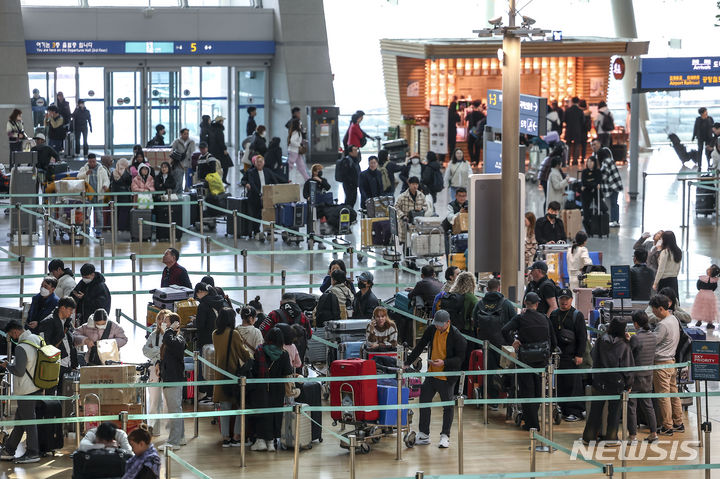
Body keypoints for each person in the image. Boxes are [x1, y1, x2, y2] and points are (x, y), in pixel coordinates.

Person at [405, 310, 467, 448]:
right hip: (432, 373)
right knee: (424, 401)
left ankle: (445, 435)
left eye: (440, 325)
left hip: (447, 376)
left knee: (448, 406)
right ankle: (424, 434)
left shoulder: (457, 337)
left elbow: (460, 359)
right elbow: (420, 346)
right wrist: (407, 362)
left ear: (448, 323)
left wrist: (444, 362)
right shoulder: (432, 329)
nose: (438, 327)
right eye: (436, 324)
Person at [501, 293, 556, 431]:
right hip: (541, 360)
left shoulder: (520, 318)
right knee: (538, 391)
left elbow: (504, 330)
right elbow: (553, 341)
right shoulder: (544, 318)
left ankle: (532, 424)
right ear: (537, 304)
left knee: (527, 391)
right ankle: (530, 418)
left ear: (525, 303)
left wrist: (513, 341)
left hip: (525, 361)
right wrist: (549, 354)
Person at [582, 318, 634, 444]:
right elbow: (627, 365)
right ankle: (611, 439)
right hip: (617, 381)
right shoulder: (624, 344)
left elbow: (593, 355)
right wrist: (629, 383)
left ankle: (588, 437)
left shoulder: (601, 340)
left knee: (595, 410)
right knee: (614, 412)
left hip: (600, 379)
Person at [0, 321, 42, 463]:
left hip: (26, 389)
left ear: (15, 332)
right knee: (20, 420)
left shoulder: (22, 347)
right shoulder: (36, 339)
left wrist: (8, 365)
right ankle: (9, 449)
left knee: (29, 422)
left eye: (12, 334)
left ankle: (33, 452)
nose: (12, 337)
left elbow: (19, 370)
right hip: (37, 385)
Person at [213, 307, 252, 447]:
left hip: (220, 375)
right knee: (240, 406)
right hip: (233, 374)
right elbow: (243, 353)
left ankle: (225, 438)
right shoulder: (233, 334)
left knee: (224, 408)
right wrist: (251, 356)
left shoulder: (215, 334)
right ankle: (236, 436)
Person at [472, 278, 515, 399]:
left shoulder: (479, 304)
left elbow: (474, 323)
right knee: (506, 369)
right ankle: (506, 395)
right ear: (499, 288)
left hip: (486, 343)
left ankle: (492, 398)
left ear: (487, 289)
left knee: (489, 370)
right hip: (503, 344)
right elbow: (514, 321)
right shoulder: (506, 304)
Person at [251, 327, 293, 452]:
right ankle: (272, 442)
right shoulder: (284, 354)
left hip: (261, 387)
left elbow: (255, 370)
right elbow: (287, 373)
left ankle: (261, 440)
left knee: (262, 412)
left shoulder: (260, 351)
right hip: (278, 388)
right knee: (275, 413)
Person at [549, 288, 587, 422]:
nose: (564, 302)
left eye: (566, 299)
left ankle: (575, 411)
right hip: (558, 356)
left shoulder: (577, 315)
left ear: (571, 300)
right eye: (561, 299)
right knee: (560, 383)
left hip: (572, 356)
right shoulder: (554, 315)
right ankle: (563, 409)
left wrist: (579, 354)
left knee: (573, 384)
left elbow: (582, 336)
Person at [650, 294, 684, 435]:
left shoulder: (662, 325)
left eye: (654, 309)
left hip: (661, 364)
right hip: (671, 363)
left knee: (663, 397)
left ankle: (667, 426)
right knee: (674, 394)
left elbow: (653, 342)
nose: (653, 312)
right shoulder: (674, 319)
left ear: (661, 308)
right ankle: (678, 422)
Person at [155, 312, 186, 449]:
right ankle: (180, 437)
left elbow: (167, 340)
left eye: (167, 321)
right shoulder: (173, 338)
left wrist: (170, 330)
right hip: (168, 377)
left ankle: (174, 442)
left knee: (175, 409)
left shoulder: (177, 339)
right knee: (175, 408)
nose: (164, 323)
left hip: (174, 378)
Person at [627, 311, 658, 444]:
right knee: (648, 405)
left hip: (635, 377)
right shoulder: (653, 336)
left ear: (635, 323)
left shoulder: (636, 338)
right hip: (648, 376)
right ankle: (653, 433)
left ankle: (632, 436)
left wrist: (628, 340)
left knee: (631, 406)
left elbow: (630, 354)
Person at [37, 296, 77, 394]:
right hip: (54, 363)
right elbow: (46, 346)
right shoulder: (48, 321)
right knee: (51, 394)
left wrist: (74, 363)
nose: (71, 313)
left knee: (66, 394)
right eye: (70, 310)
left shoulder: (67, 322)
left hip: (68, 363)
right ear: (62, 308)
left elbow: (71, 343)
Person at [241, 155, 282, 241]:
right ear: (254, 163)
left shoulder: (267, 171)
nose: (259, 163)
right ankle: (256, 232)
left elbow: (275, 179)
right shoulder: (250, 172)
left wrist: (285, 182)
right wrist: (247, 185)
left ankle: (270, 233)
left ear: (264, 163)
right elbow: (248, 182)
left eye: (261, 161)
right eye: (257, 162)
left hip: (267, 197)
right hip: (255, 197)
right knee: (256, 215)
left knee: (269, 215)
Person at [142, 309, 170, 436]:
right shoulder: (154, 335)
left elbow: (171, 352)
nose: (161, 322)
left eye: (164, 319)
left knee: (170, 401)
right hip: (154, 369)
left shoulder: (174, 335)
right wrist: (159, 351)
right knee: (154, 400)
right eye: (159, 319)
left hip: (169, 369)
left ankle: (171, 432)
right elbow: (145, 350)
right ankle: (154, 429)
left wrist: (157, 350)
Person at [78, 153, 110, 237]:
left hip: (98, 195)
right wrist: (86, 173)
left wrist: (105, 186)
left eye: (93, 161)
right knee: (86, 214)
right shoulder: (84, 168)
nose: (92, 163)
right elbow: (78, 177)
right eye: (90, 162)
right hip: (87, 196)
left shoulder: (102, 169)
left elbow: (106, 180)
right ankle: (86, 230)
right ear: (88, 161)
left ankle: (98, 231)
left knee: (99, 213)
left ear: (96, 160)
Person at [593, 138, 623, 227]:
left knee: (613, 203)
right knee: (614, 203)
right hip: (615, 185)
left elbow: (604, 175)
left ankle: (614, 220)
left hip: (613, 186)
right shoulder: (609, 160)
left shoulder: (606, 162)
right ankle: (614, 220)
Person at [395, 176, 427, 241]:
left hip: (418, 223)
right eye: (413, 184)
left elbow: (426, 206)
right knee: (406, 242)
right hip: (406, 222)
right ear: (409, 184)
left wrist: (421, 209)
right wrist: (403, 215)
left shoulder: (421, 195)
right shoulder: (402, 196)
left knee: (418, 241)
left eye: (416, 184)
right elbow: (396, 207)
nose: (415, 186)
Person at [653, 230, 682, 298]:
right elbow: (678, 267)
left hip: (664, 281)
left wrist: (655, 283)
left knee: (663, 303)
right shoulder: (678, 251)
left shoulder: (665, 252)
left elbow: (661, 269)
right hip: (674, 280)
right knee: (674, 302)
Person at [692, 264, 719, 328]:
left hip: (701, 294)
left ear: (709, 271)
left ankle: (699, 321)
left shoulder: (702, 278)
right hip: (710, 295)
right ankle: (709, 323)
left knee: (700, 308)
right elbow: (714, 288)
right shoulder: (714, 280)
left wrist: (701, 290)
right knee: (709, 309)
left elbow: (698, 286)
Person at [170, 128, 195, 193]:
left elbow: (193, 152)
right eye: (185, 134)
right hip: (179, 163)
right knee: (179, 180)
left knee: (188, 180)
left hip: (189, 163)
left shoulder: (191, 142)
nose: (186, 135)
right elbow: (171, 149)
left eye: (187, 133)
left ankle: (187, 192)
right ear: (181, 134)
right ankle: (178, 193)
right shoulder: (177, 141)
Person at [580, 156, 602, 232]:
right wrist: (594, 185)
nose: (589, 163)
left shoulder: (598, 172)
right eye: (588, 162)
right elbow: (584, 182)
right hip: (586, 194)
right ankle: (587, 228)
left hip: (596, 193)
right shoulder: (584, 172)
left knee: (601, 208)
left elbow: (598, 182)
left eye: (591, 162)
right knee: (586, 211)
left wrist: (590, 185)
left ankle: (597, 225)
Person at [208, 116, 232, 185]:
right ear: (220, 122)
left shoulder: (212, 129)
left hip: (213, 150)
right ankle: (223, 179)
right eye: (222, 121)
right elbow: (221, 141)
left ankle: (219, 179)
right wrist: (224, 149)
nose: (223, 122)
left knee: (217, 165)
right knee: (226, 164)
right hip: (220, 151)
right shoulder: (219, 130)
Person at [111, 158, 133, 232]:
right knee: (124, 211)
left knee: (117, 211)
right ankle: (123, 227)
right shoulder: (126, 172)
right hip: (125, 195)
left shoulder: (114, 172)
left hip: (115, 195)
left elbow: (112, 184)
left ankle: (117, 227)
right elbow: (129, 182)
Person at [564, 97, 585, 164]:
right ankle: (575, 161)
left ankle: (567, 160)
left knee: (568, 145)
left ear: (572, 102)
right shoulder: (580, 111)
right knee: (577, 146)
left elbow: (564, 120)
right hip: (577, 130)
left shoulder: (568, 110)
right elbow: (583, 121)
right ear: (578, 102)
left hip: (569, 130)